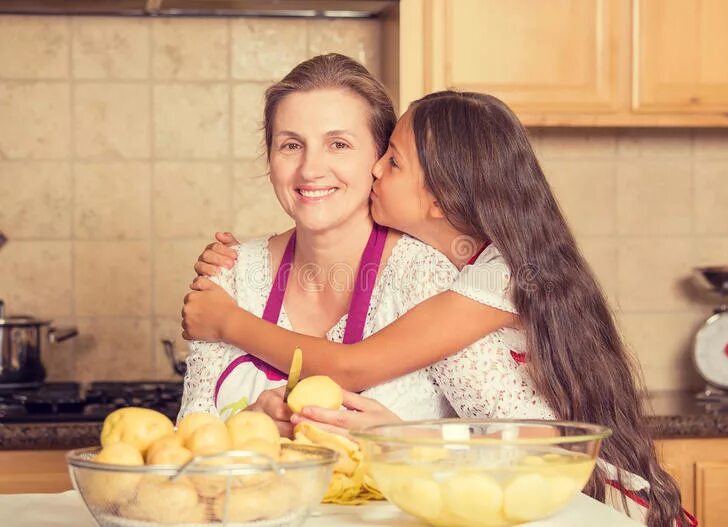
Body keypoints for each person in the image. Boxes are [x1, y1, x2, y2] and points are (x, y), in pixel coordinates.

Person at [184, 91, 693, 527]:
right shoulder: (468, 266)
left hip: (582, 497)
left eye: (392, 160)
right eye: (291, 144)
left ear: (439, 197)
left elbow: (354, 364)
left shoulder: (493, 279)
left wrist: (228, 322)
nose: (376, 169)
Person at [178, 55, 548, 439]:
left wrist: (400, 438)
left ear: (377, 156)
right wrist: (250, 422)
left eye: (338, 144)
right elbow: (187, 446)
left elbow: (535, 442)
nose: (309, 169)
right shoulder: (228, 278)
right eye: (290, 145)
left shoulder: (432, 279)